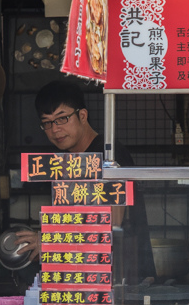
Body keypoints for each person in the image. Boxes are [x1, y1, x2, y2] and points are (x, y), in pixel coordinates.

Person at [15, 80, 155, 282]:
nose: (55, 130)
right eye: (47, 123)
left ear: (82, 115)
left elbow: (111, 224)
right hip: (88, 277)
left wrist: (50, 240)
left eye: (62, 119)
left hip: (123, 280)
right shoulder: (67, 163)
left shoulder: (110, 156)